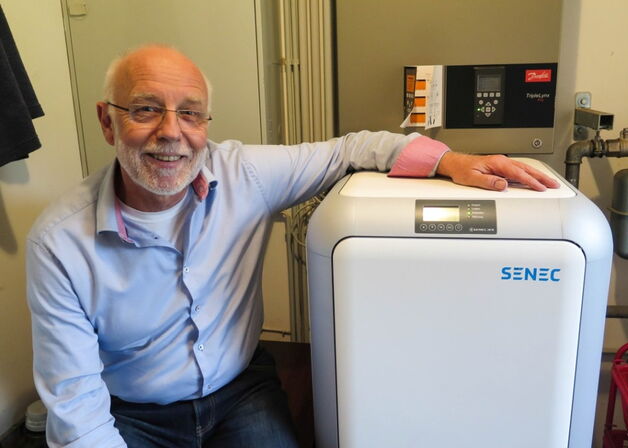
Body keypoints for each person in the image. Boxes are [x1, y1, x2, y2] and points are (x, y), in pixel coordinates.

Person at [26, 45, 559, 448]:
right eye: (145, 109)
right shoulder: (59, 244)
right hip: (133, 411)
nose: (172, 132)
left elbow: (352, 149)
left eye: (190, 113)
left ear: (206, 123)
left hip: (239, 390)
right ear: (107, 121)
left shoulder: (245, 175)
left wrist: (451, 160)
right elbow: (77, 408)